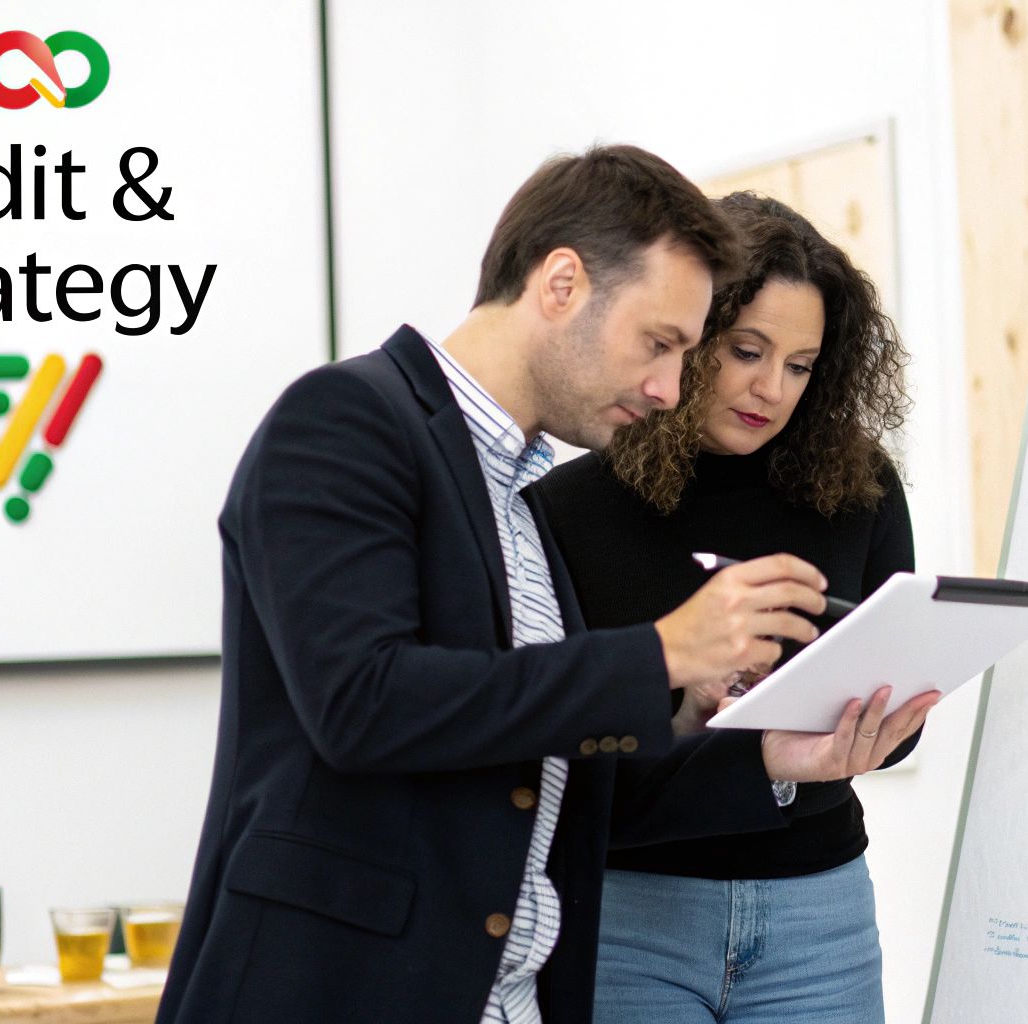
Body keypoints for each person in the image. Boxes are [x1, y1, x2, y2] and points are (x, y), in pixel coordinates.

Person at [155, 148, 935, 1024]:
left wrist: (745, 744)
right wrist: (662, 653)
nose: (669, 385)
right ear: (561, 284)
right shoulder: (346, 418)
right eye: (662, 343)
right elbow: (362, 703)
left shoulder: (514, 501)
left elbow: (534, 751)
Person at [534, 192, 928, 1024]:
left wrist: (878, 726)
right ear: (690, 330)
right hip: (629, 912)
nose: (770, 388)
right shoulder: (566, 510)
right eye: (748, 350)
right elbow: (558, 769)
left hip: (819, 912)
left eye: (799, 365)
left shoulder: (860, 490)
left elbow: (896, 730)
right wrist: (683, 702)